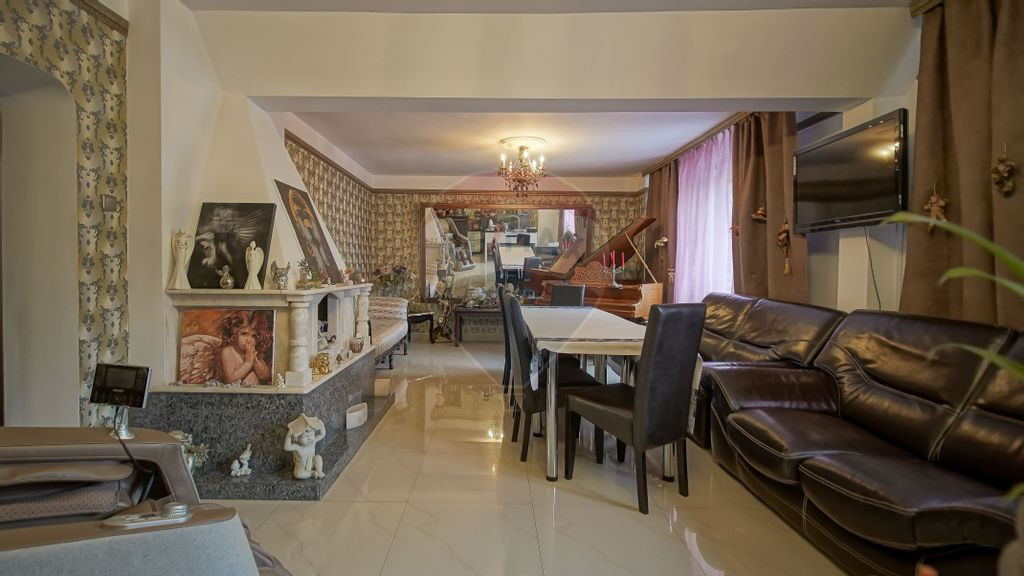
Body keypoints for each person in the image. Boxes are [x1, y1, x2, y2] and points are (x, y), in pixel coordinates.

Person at [216, 311, 271, 386]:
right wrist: (248, 363)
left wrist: (255, 361)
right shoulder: (228, 351)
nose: (249, 340)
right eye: (244, 334)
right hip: (235, 391)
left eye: (253, 336)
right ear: (234, 335)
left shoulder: (254, 352)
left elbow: (265, 375)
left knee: (252, 376)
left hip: (253, 390)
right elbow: (229, 378)